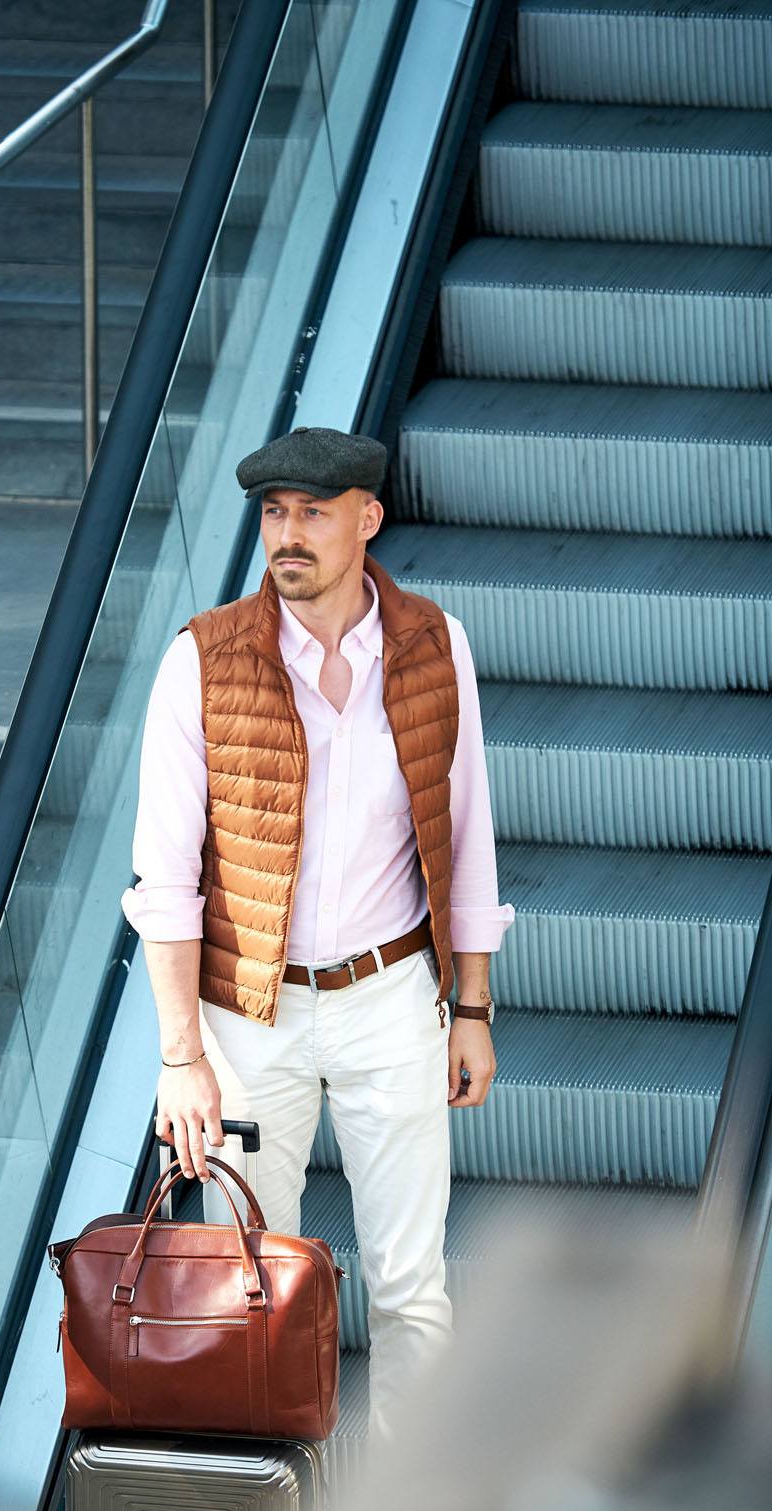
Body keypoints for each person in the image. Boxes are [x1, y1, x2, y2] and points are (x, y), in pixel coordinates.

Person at [119, 426, 515, 1438]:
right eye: (273, 513)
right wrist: (181, 1059)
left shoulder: (436, 644)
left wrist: (469, 1004)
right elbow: (163, 882)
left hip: (393, 1000)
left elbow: (465, 839)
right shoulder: (201, 661)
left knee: (410, 1285)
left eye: (312, 513)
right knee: (250, 1281)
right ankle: (264, 1509)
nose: (287, 535)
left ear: (366, 518)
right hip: (249, 1017)